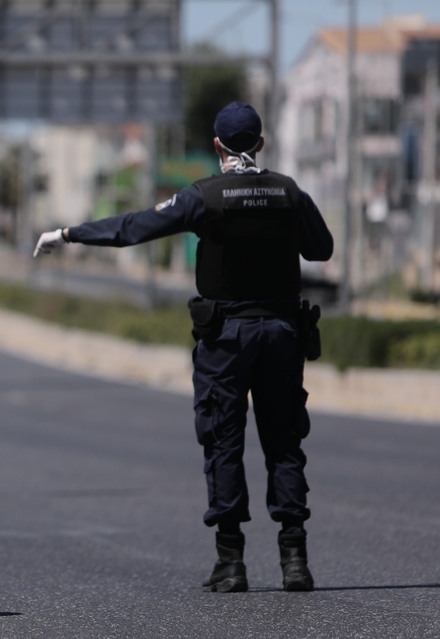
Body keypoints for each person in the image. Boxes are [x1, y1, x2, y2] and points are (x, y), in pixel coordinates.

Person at [33, 102, 334, 593]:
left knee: (224, 440)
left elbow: (134, 229)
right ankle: (294, 559)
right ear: (260, 143)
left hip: (226, 339)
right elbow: (321, 249)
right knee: (284, 444)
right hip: (281, 334)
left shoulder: (205, 198)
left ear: (217, 146)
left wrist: (70, 233)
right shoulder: (288, 192)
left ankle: (231, 563)